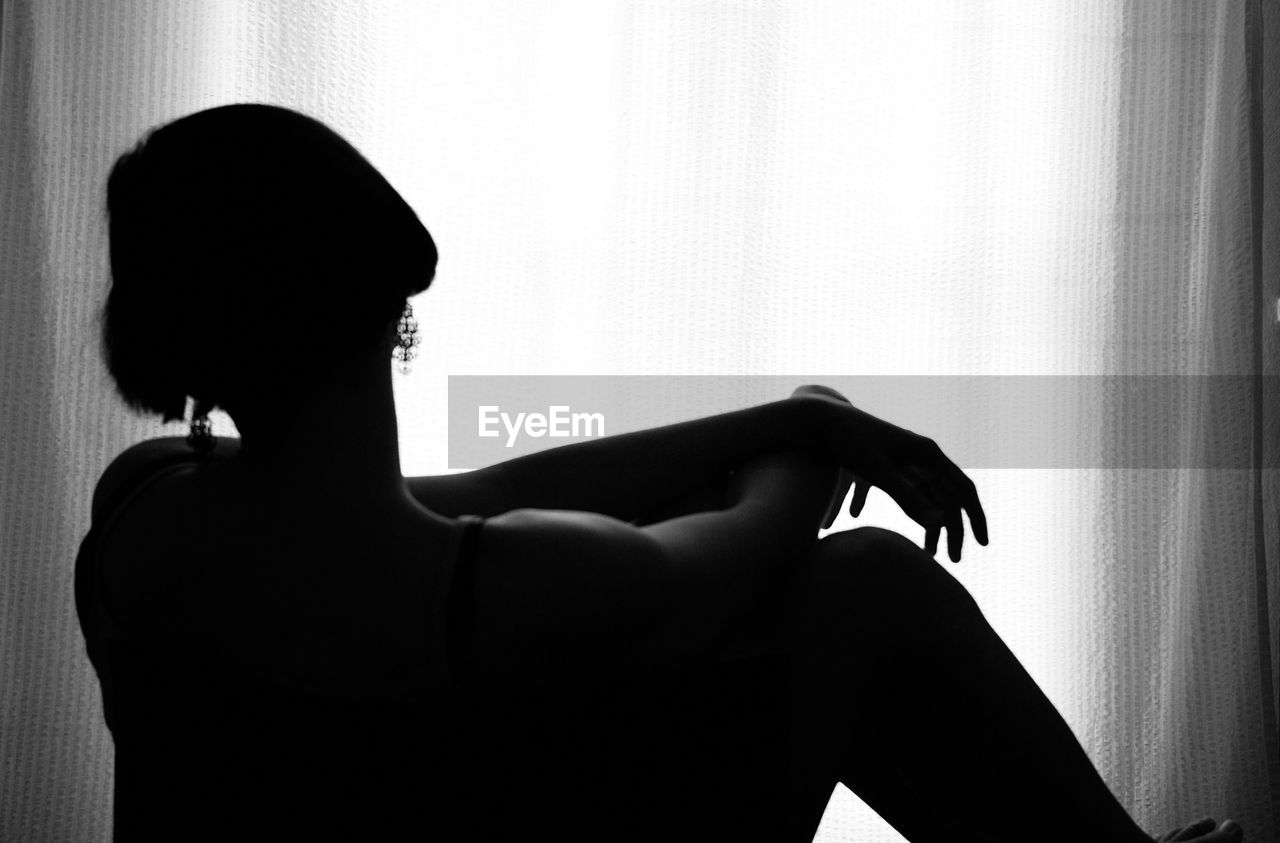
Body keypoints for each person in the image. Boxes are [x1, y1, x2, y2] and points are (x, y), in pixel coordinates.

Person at [77, 102, 1245, 842]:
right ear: (383, 314)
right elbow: (739, 550)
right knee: (869, 584)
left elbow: (472, 498)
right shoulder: (492, 590)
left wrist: (776, 417)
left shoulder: (143, 505)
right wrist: (813, 422)